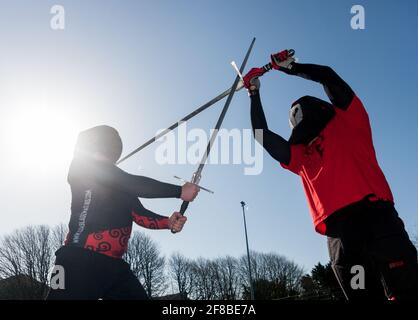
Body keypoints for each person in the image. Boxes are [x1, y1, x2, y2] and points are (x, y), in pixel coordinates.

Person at [242, 50, 418, 300]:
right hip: (348, 233)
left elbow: (328, 77)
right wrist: (257, 89)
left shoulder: (347, 120)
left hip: (369, 221)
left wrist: (284, 70)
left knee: (405, 290)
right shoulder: (301, 152)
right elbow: (262, 135)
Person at [47, 125, 200, 300]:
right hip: (76, 260)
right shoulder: (81, 167)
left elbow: (140, 214)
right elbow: (129, 181)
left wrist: (168, 222)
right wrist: (179, 191)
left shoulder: (120, 185)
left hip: (114, 267)